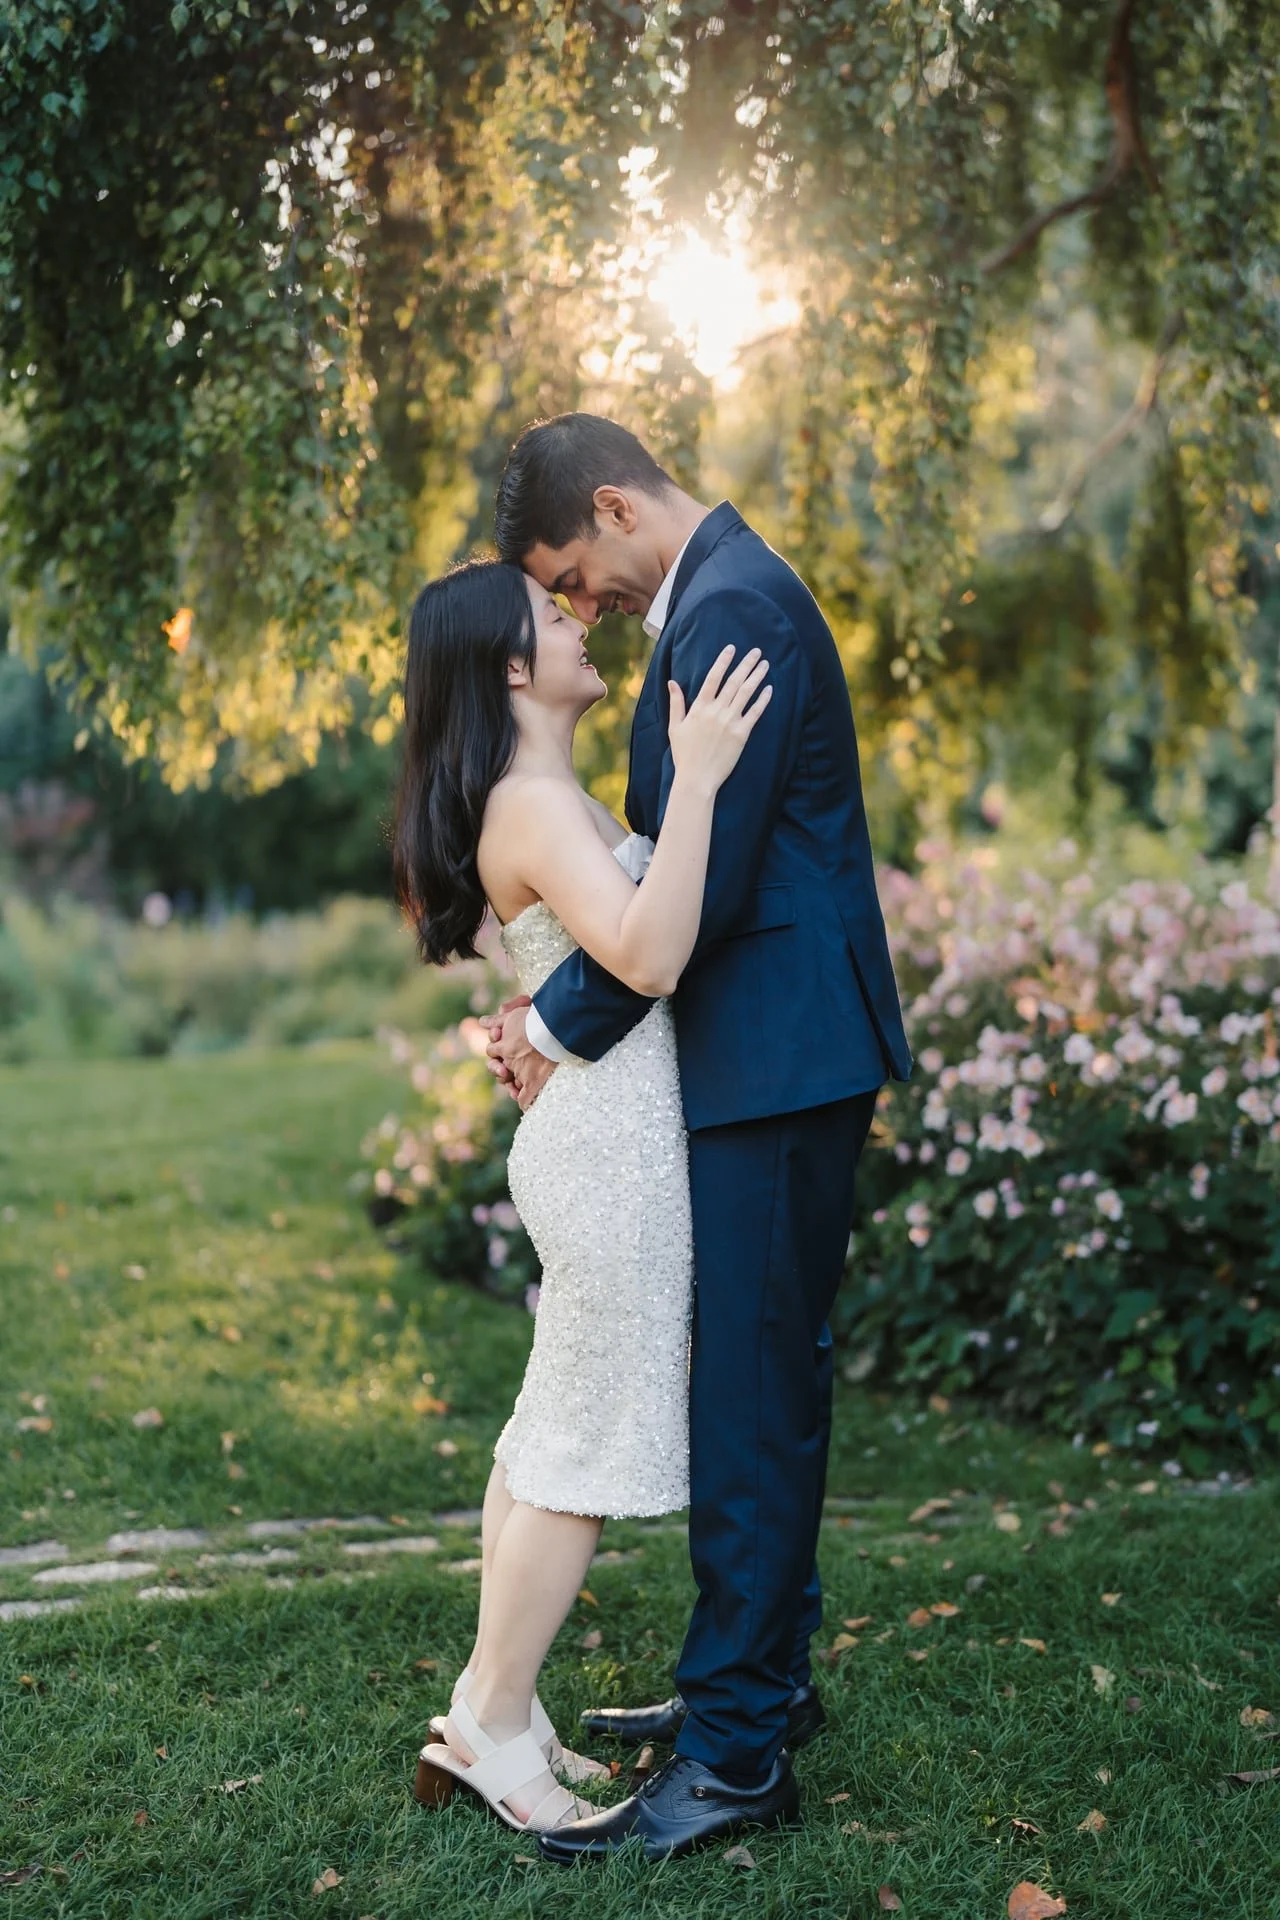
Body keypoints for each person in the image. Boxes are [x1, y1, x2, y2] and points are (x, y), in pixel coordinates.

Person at [484, 413, 912, 1865]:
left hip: (778, 1057)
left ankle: (734, 1754)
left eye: (570, 572)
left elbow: (697, 889)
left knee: (745, 1397)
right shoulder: (723, 596)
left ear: (612, 505)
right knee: (757, 1378)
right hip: (772, 1051)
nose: (579, 603)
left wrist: (549, 1027)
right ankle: (756, 1694)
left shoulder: (729, 607)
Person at [393, 557, 772, 1834]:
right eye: (557, 618)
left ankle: (491, 1705)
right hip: (606, 1156)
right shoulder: (535, 800)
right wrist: (707, 777)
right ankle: (495, 1721)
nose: (580, 624)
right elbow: (651, 954)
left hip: (596, 1138)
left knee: (548, 1427)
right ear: (510, 666)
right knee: (577, 1449)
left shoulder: (534, 792)